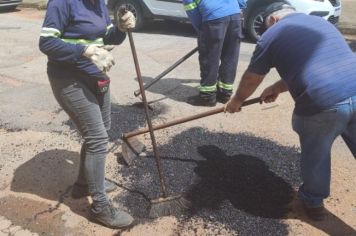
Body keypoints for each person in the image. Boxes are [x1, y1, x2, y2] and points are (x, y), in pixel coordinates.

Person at [225, 3, 356, 221]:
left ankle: (312, 202)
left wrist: (237, 100)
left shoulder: (272, 35)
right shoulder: (319, 23)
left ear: (274, 20)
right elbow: (312, 65)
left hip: (323, 103)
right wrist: (276, 88)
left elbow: (252, 78)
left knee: (316, 149)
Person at [39, 0, 136, 228]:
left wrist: (119, 29)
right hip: (68, 79)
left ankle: (84, 184)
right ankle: (100, 207)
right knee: (97, 138)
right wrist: (84, 51)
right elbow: (47, 43)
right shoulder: (62, 2)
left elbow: (105, 36)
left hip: (95, 76)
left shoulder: (99, 3)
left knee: (102, 130)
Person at [183, 0, 246, 107]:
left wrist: (202, 29)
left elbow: (190, 6)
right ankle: (224, 94)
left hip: (213, 17)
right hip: (234, 14)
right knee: (230, 56)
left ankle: (207, 97)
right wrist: (240, 6)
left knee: (210, 58)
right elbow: (242, 2)